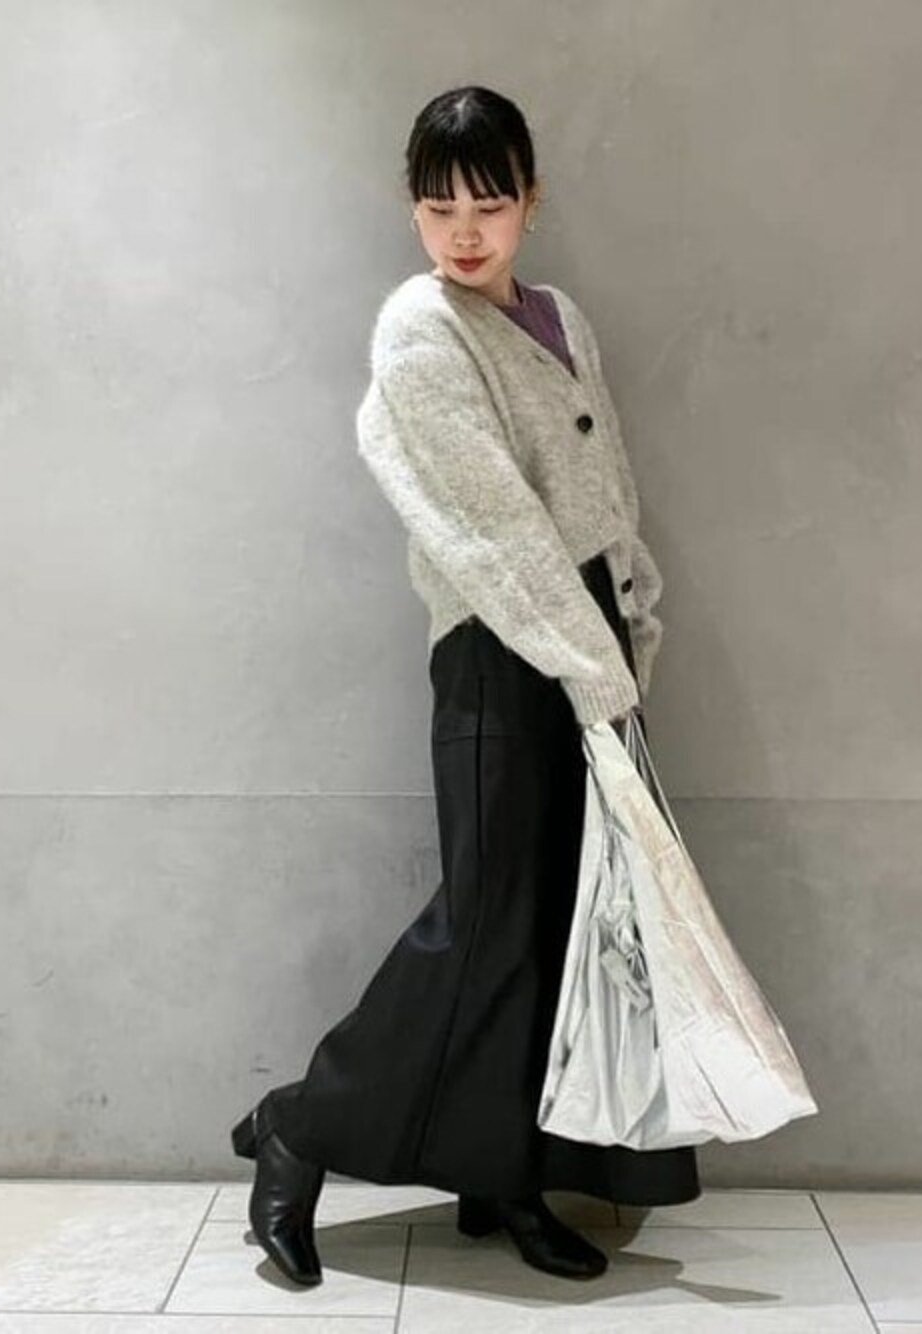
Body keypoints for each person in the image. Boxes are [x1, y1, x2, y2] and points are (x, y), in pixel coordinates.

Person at [231, 83, 701, 1289]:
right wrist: (590, 663)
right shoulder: (419, 331)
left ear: (530, 201)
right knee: (483, 924)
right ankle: (298, 1122)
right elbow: (492, 532)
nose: (464, 231)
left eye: (488, 203)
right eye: (439, 207)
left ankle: (505, 1177)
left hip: (589, 643)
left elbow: (606, 491)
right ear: (412, 210)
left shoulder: (557, 316)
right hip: (502, 648)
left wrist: (631, 621)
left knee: (554, 929)